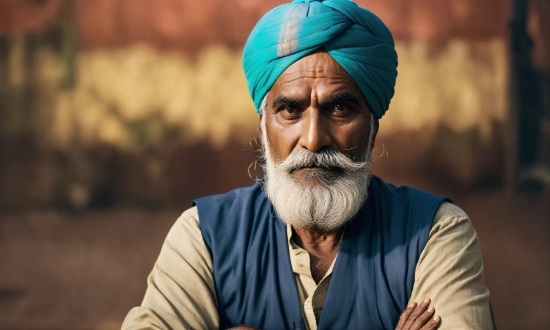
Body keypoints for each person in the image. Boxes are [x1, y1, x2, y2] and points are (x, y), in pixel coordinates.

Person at [122, 0, 493, 329]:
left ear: (373, 126)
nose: (314, 139)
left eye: (340, 108)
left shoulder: (436, 234)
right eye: (290, 110)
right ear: (264, 127)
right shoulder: (204, 236)